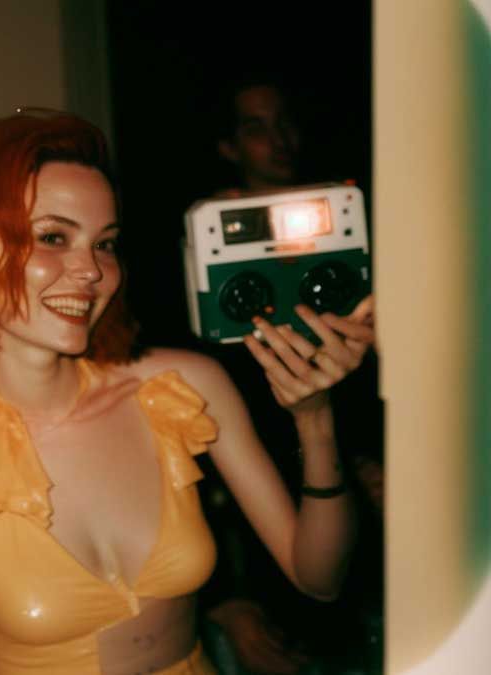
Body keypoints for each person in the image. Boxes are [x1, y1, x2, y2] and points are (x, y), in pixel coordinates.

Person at [0, 111, 374, 675]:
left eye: (105, 244)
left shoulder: (181, 388)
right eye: (53, 237)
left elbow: (320, 579)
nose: (91, 270)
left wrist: (315, 419)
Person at [200, 77, 384, 674]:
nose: (277, 140)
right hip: (264, 546)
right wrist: (223, 602)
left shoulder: (357, 238)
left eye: (285, 122)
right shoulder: (207, 263)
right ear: (228, 145)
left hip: (370, 528)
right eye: (256, 127)